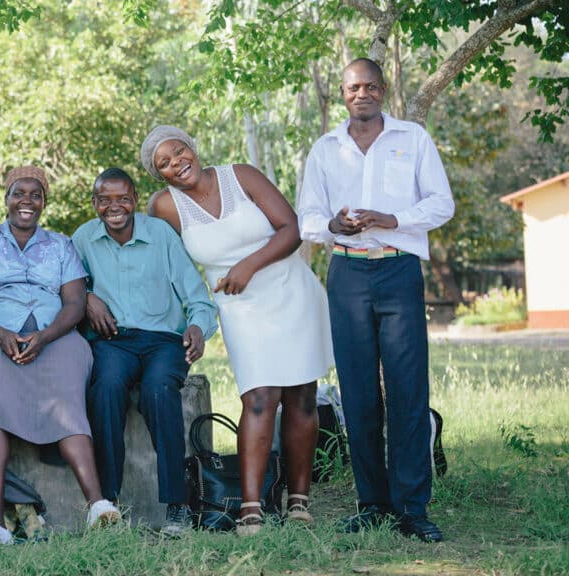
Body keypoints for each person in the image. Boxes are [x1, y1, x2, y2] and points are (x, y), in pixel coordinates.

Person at [144, 126, 333, 535]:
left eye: (179, 151)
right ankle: (251, 507)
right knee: (260, 396)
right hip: (238, 306)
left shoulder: (240, 175)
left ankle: (298, 501)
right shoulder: (164, 206)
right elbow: (163, 265)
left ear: (192, 147)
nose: (177, 162)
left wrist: (248, 265)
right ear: (159, 175)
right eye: (164, 163)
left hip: (290, 289)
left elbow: (291, 228)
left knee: (302, 394)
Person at [297, 58, 454, 543]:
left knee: (407, 389)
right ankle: (372, 504)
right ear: (343, 94)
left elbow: (441, 203)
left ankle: (413, 508)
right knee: (359, 391)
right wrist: (331, 227)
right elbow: (307, 216)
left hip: (397, 269)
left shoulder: (412, 139)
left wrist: (392, 218)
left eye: (368, 86)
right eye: (351, 88)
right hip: (346, 274)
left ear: (382, 90)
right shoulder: (325, 149)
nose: (360, 93)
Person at [0, 166, 119, 544]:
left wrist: (46, 336)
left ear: (44, 202)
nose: (26, 200)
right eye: (18, 192)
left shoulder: (60, 245)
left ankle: (97, 504)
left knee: (69, 375)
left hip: (52, 333)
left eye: (36, 194)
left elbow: (75, 303)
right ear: (6, 199)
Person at [71, 168, 218, 537]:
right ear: (94, 204)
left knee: (158, 391)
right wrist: (88, 298)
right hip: (112, 341)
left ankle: (178, 506)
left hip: (162, 341)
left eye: (122, 198)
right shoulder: (83, 239)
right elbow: (68, 287)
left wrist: (198, 327)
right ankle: (107, 504)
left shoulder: (161, 234)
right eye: (104, 200)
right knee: (105, 389)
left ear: (134, 200)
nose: (114, 206)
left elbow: (197, 297)